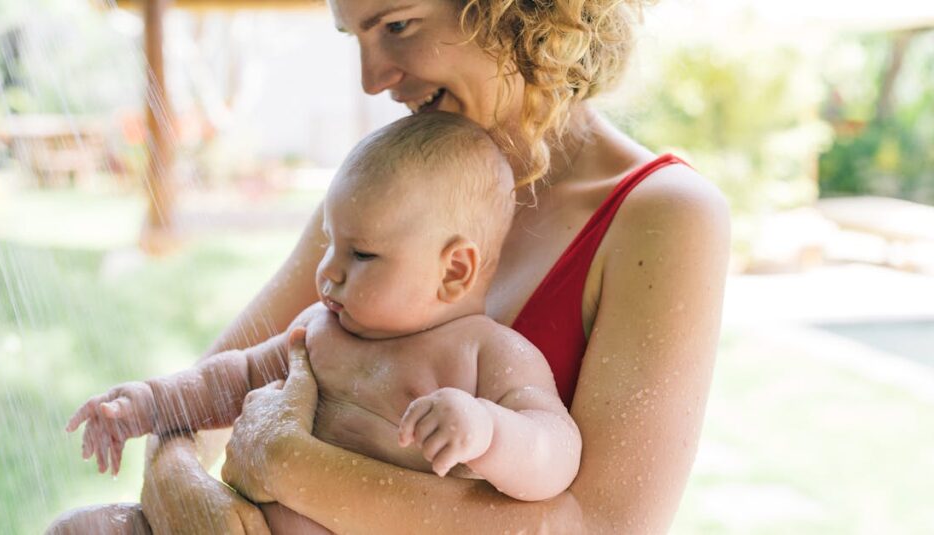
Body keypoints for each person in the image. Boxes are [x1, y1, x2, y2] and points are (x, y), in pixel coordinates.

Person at [47, 0, 730, 533]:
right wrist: (182, 490)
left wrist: (285, 463)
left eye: (398, 25)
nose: (374, 79)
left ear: (517, 12)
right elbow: (198, 406)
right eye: (356, 37)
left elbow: (596, 527)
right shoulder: (389, 189)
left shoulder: (664, 216)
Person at [62, 112, 582, 534]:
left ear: (454, 270)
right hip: (237, 522)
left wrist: (489, 432)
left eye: (360, 254)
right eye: (330, 241)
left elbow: (556, 453)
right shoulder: (319, 331)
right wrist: (147, 403)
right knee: (78, 530)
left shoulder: (487, 354)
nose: (328, 268)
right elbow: (232, 379)